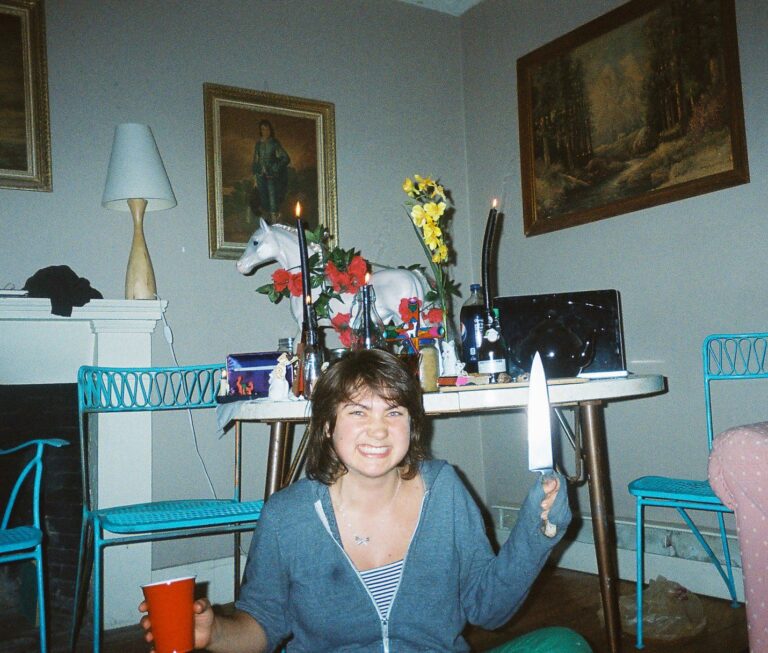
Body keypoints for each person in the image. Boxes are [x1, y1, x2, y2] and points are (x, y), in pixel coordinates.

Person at [140, 349, 590, 652]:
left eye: (394, 412)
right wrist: (213, 630)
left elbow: (489, 609)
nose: (378, 429)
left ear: (412, 427)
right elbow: (262, 622)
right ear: (328, 428)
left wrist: (539, 534)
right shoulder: (287, 516)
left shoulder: (445, 489)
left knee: (564, 643)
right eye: (357, 412)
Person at [252, 119, 290, 222]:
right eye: (263, 129)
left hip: (271, 176)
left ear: (270, 130)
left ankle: (274, 222)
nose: (265, 131)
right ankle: (267, 225)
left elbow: (286, 158)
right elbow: (255, 160)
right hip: (260, 176)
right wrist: (255, 178)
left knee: (273, 200)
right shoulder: (258, 144)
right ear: (261, 131)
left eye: (267, 129)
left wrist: (275, 167)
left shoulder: (274, 143)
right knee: (264, 200)